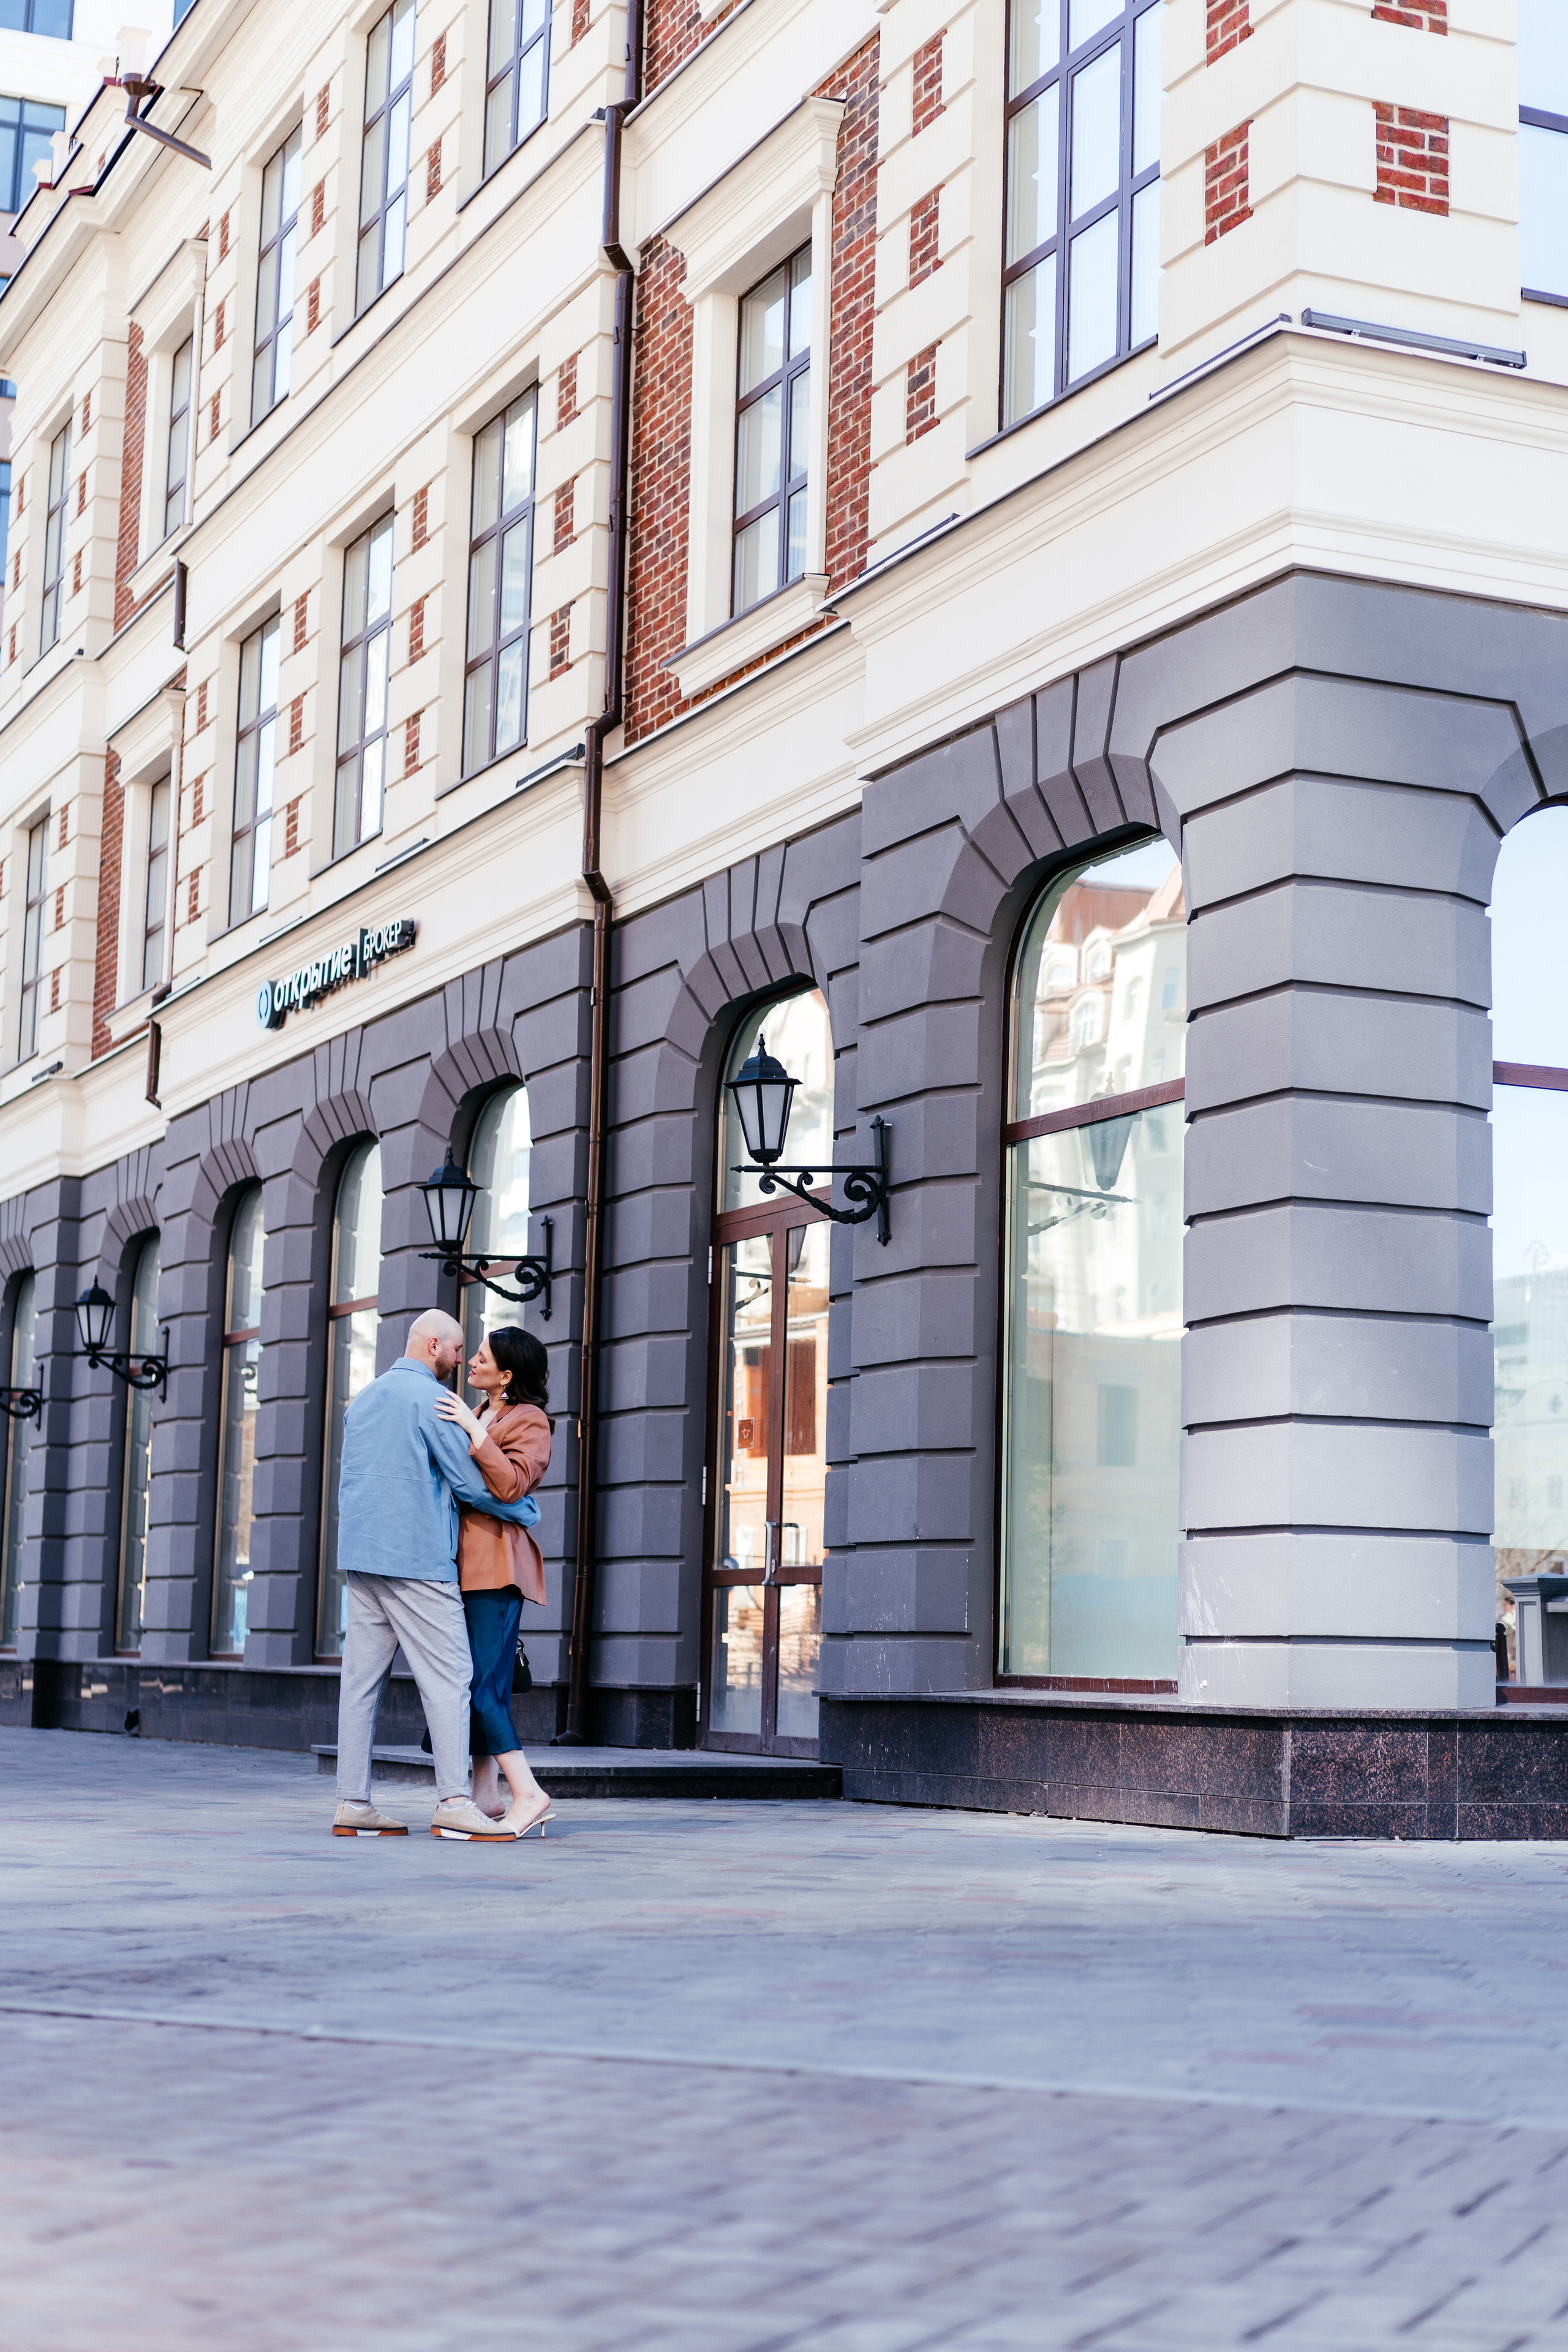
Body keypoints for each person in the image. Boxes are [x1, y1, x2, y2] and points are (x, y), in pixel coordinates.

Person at [331, 1307, 541, 1842]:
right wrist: (526, 1513)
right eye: (454, 1351)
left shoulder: (365, 1399)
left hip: (361, 1557)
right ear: (432, 1346)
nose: (459, 1360)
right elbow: (470, 1485)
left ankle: (352, 1802)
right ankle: (454, 1800)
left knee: (359, 1686)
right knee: (450, 1681)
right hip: (416, 1560)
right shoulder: (432, 1401)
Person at [435, 1325, 554, 1838]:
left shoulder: (531, 1421)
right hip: (459, 1568)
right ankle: (486, 1795)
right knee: (470, 1684)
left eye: (483, 1357)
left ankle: (529, 1794)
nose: (473, 1361)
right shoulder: (479, 1411)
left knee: (484, 1688)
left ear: (507, 1376)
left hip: (496, 1571)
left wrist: (472, 1428)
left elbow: (510, 1484)